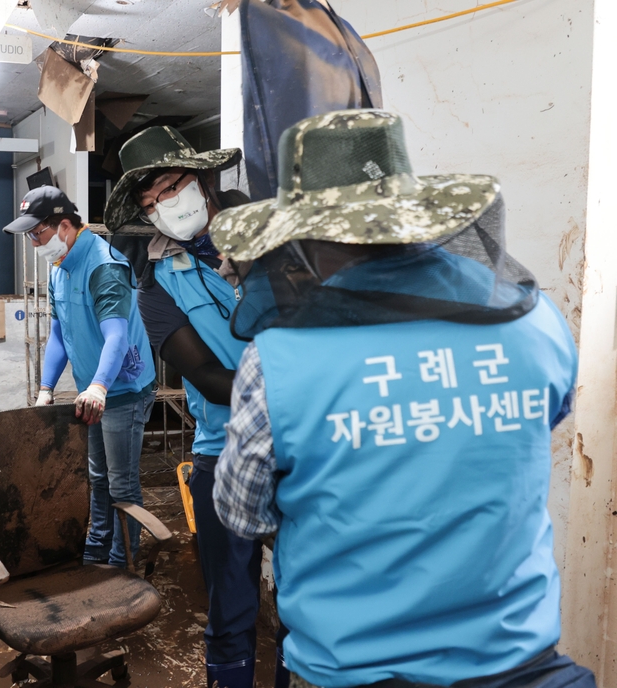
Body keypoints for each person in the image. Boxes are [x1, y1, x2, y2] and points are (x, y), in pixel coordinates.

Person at [211, 110, 596, 688]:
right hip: (526, 665)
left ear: (306, 239)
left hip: (353, 670)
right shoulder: (535, 319)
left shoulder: (278, 361)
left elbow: (241, 512)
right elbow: (544, 419)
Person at [103, 126, 262, 688]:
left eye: (168, 188)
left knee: (308, 596)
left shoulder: (266, 236)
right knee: (231, 600)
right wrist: (305, 377)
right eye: (150, 203)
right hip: (225, 449)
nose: (163, 207)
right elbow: (212, 381)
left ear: (197, 178)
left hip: (303, 436)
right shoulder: (156, 287)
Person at [3, 185, 157, 568]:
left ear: (65, 226)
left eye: (37, 233)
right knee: (97, 475)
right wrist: (45, 389)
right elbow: (59, 334)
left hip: (121, 388)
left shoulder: (103, 267)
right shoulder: (60, 268)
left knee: (121, 481)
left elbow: (116, 336)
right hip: (94, 390)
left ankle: (124, 560)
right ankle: (98, 546)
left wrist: (100, 385)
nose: (34, 242)